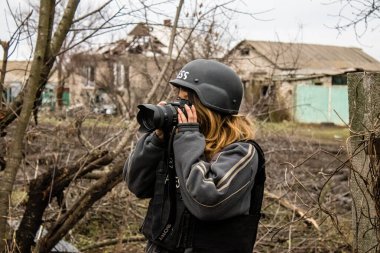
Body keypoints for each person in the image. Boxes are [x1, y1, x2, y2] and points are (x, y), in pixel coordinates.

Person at [124, 59, 266, 253]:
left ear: (211, 106)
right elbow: (137, 184)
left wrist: (188, 139)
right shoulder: (180, 140)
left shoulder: (241, 153)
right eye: (178, 99)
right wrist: (156, 141)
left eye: (186, 101)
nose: (179, 106)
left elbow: (206, 203)